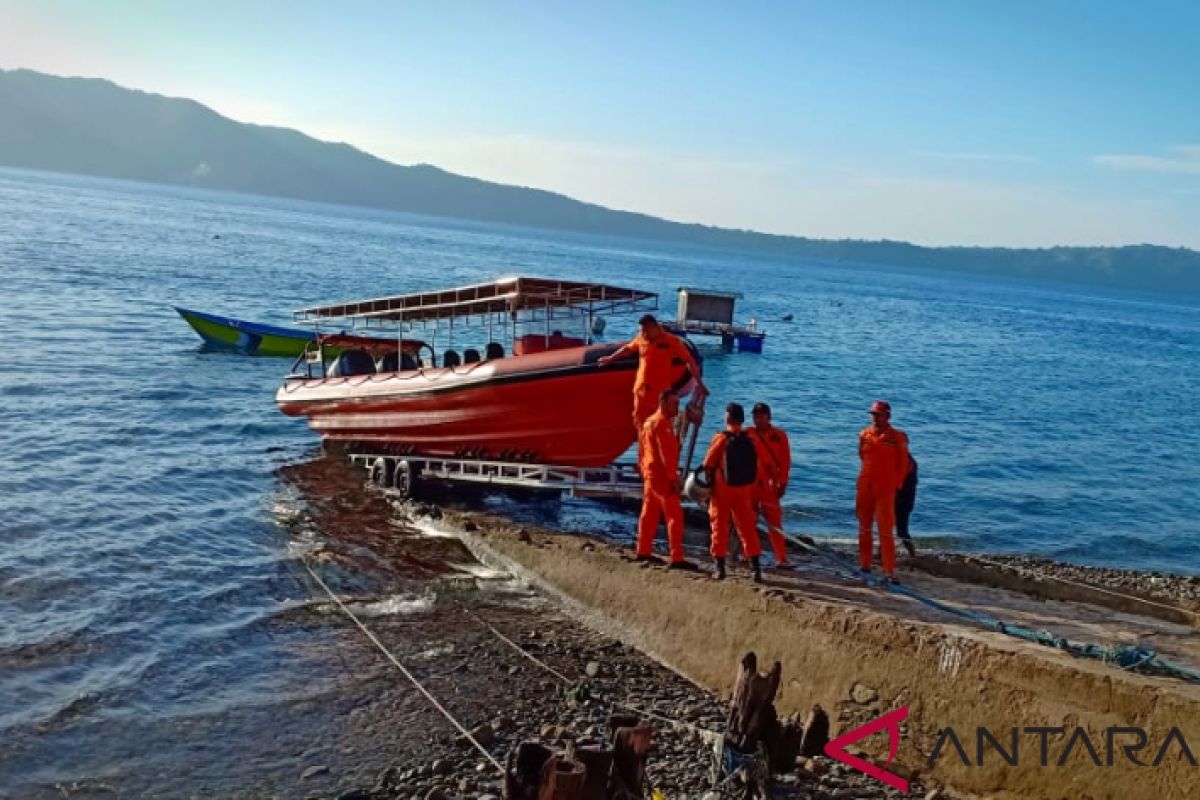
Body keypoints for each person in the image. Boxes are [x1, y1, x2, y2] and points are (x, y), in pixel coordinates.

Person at [597, 315, 705, 429]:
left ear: (654, 327)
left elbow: (689, 361)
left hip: (660, 393)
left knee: (660, 424)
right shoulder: (641, 338)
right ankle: (643, 446)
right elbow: (628, 349)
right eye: (642, 331)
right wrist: (611, 358)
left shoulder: (670, 341)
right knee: (639, 423)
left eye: (645, 331)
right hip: (641, 391)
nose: (644, 334)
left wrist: (700, 383)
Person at [703, 402, 767, 582]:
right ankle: (755, 569)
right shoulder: (752, 439)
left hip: (723, 490)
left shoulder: (721, 438)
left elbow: (708, 462)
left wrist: (707, 485)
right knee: (747, 528)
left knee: (719, 528)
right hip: (744, 490)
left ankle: (720, 568)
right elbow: (760, 462)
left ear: (728, 418)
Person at [635, 392, 697, 570]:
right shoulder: (662, 424)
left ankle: (643, 549)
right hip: (661, 477)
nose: (677, 408)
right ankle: (676, 556)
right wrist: (674, 479)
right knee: (674, 517)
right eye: (674, 404)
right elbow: (666, 456)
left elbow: (643, 450)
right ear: (663, 403)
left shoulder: (649, 422)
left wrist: (643, 469)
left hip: (650, 475)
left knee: (649, 514)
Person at [856, 400, 910, 583]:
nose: (875, 418)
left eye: (878, 415)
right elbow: (862, 457)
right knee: (864, 528)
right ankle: (865, 565)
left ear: (887, 416)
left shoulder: (897, 438)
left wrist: (897, 485)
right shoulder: (864, 434)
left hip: (886, 489)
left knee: (885, 531)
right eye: (873, 415)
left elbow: (904, 465)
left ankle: (889, 571)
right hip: (865, 486)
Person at [750, 402, 793, 568]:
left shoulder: (779, 436)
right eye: (756, 416)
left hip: (770, 486)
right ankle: (747, 554)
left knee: (775, 523)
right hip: (751, 484)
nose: (758, 419)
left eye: (761, 416)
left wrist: (782, 483)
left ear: (769, 417)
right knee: (747, 521)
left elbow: (786, 462)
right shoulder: (748, 433)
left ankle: (781, 558)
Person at [895, 453, 919, 557]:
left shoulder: (908, 463)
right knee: (888, 527)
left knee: (902, 531)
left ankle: (912, 553)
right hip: (903, 500)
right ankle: (882, 552)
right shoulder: (909, 461)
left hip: (903, 502)